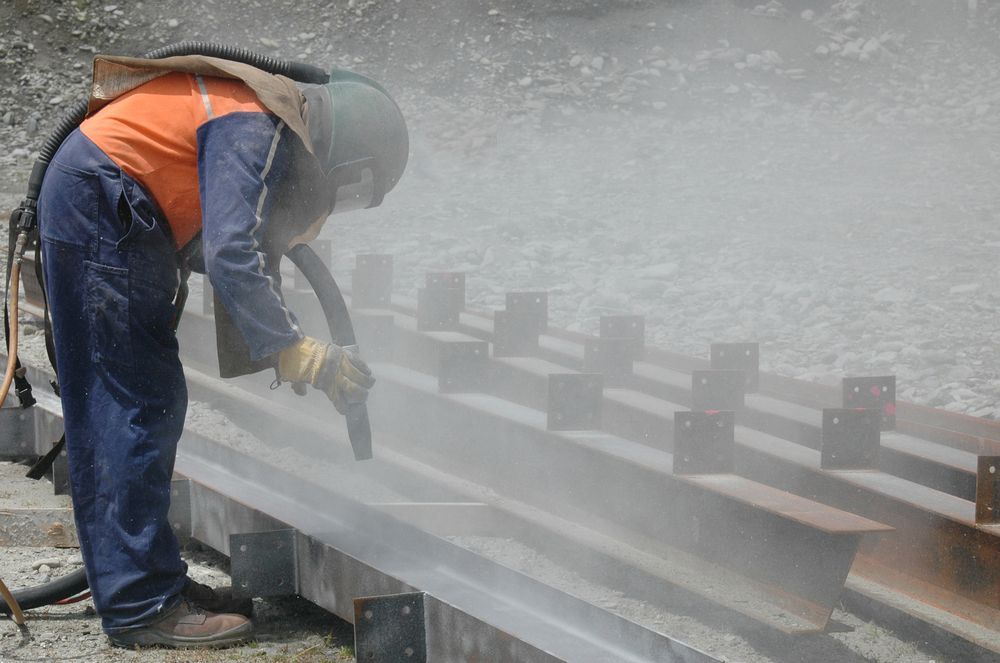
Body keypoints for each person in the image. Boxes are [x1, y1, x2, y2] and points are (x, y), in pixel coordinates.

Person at [36, 53, 408, 648]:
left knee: (144, 401)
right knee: (132, 406)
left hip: (106, 202)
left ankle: (155, 585)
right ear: (347, 153)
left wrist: (293, 347)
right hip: (102, 205)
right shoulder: (253, 125)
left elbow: (242, 247)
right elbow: (234, 253)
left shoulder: (259, 117)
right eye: (351, 187)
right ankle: (140, 606)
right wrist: (294, 350)